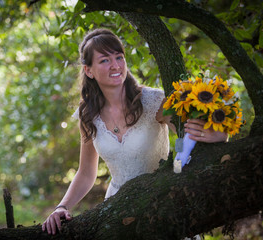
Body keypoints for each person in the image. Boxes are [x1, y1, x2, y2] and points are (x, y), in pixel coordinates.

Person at [42, 28, 227, 235]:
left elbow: (187, 137)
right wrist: (62, 206)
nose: (115, 65)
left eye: (119, 57)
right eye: (104, 60)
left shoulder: (154, 101)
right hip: (118, 210)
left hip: (164, 202)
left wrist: (217, 135)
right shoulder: (87, 116)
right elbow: (86, 172)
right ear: (88, 70)